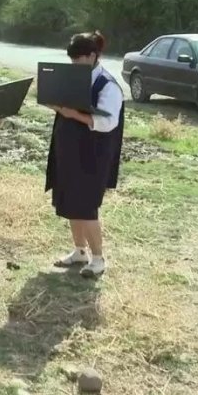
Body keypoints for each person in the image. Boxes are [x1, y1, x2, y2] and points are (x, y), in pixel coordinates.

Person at [46, 31, 124, 278]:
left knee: (86, 204)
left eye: (78, 59)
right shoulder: (73, 77)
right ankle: (80, 251)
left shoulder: (108, 85)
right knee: (70, 200)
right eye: (72, 60)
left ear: (93, 56)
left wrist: (73, 114)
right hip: (69, 148)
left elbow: (108, 122)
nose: (74, 64)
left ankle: (99, 258)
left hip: (93, 153)